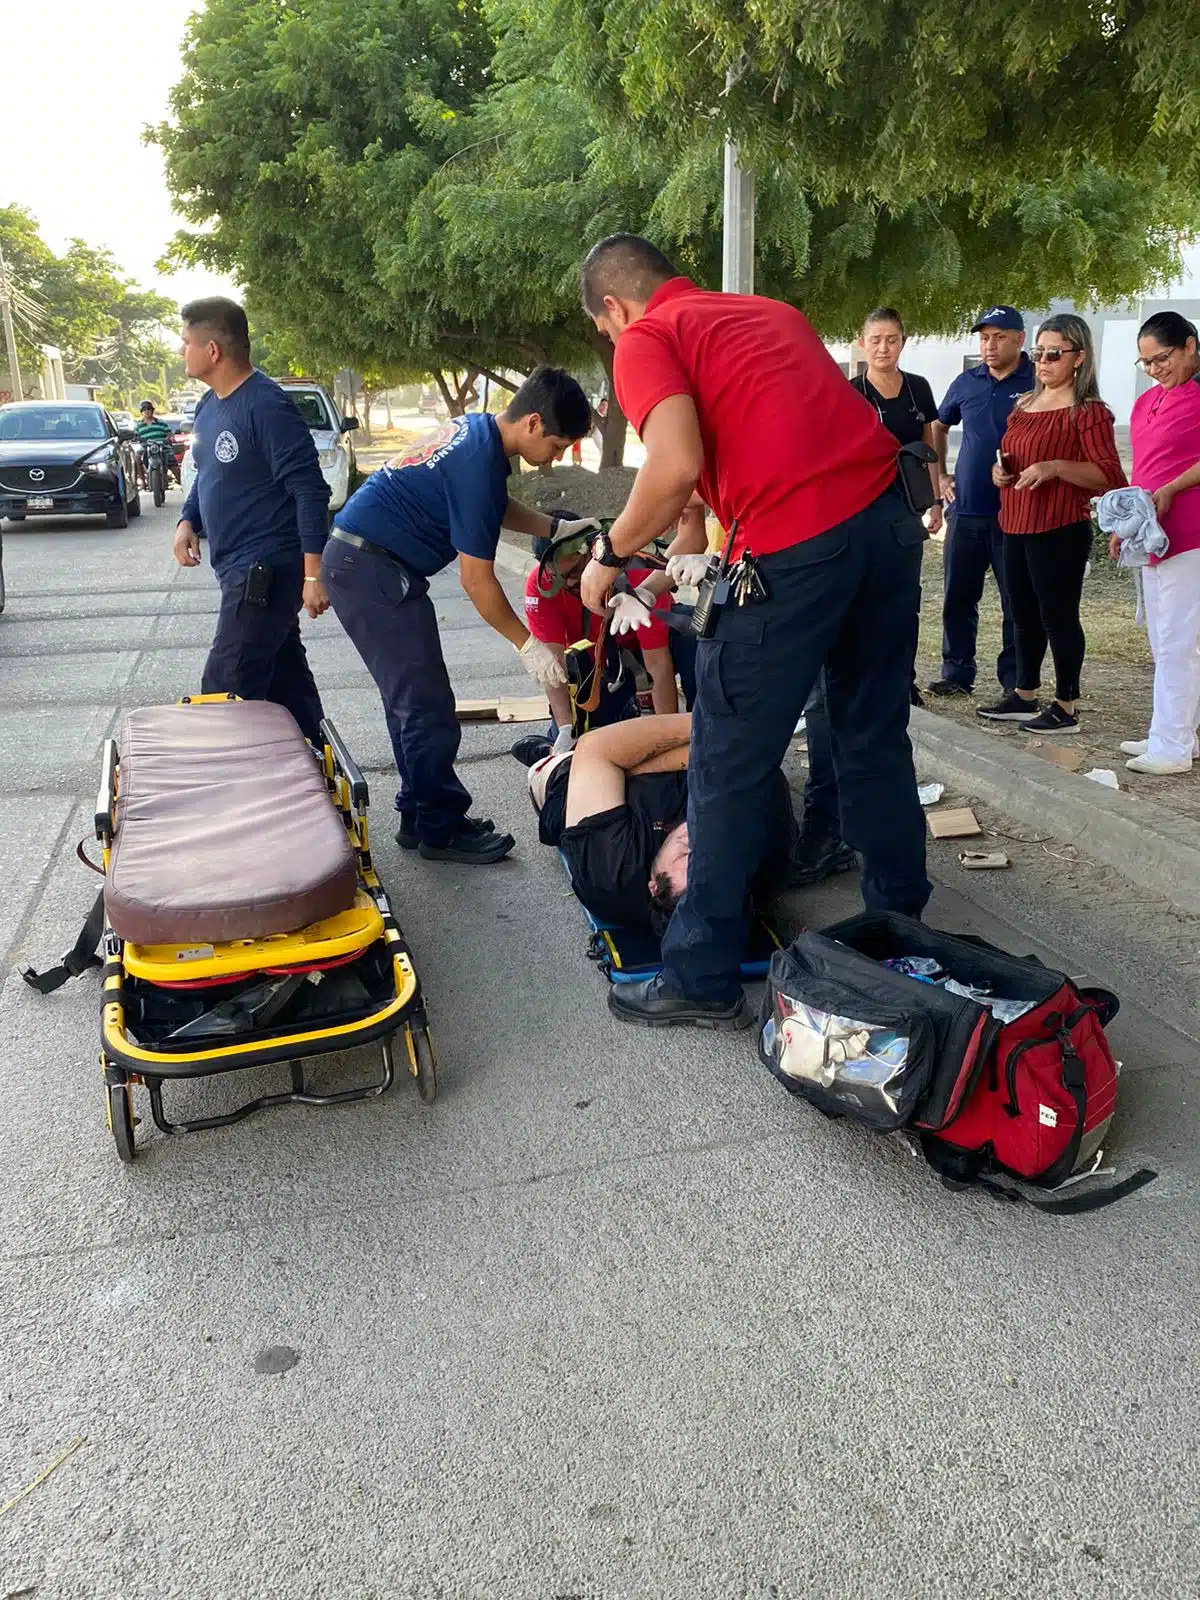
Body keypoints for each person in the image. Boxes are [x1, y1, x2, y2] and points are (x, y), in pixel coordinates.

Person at [576, 234, 931, 1030]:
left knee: (730, 754)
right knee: (871, 731)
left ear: (613, 307)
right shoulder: (766, 313)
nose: (612, 342)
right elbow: (750, 438)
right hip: (888, 527)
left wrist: (610, 552)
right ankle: (900, 922)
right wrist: (696, 533)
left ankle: (699, 975)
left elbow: (670, 466)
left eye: (605, 330)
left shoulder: (646, 337)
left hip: (800, 549)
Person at [321, 368, 593, 863]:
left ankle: (419, 814)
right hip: (371, 569)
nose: (554, 459)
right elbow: (476, 581)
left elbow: (491, 505)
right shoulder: (475, 460)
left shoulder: (478, 435)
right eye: (557, 446)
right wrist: (527, 643)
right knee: (426, 706)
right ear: (533, 423)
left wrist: (553, 526)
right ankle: (441, 828)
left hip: (364, 563)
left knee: (410, 702)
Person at [174, 297, 330, 745]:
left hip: (264, 574)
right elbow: (206, 471)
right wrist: (188, 519)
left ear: (213, 351)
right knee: (288, 691)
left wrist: (312, 573)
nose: (182, 351)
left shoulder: (266, 406)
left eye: (187, 343)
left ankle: (232, 803)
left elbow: (310, 490)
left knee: (225, 692)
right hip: (238, 570)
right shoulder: (210, 405)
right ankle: (320, 788)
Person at [522, 714, 796, 934]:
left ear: (653, 885)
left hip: (574, 783)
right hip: (665, 771)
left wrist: (717, 725)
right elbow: (757, 760)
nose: (700, 843)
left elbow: (596, 750)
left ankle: (547, 753)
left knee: (558, 769)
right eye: (716, 857)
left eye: (687, 854)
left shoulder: (611, 875)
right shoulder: (767, 856)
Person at [984, 315, 1125, 735]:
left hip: (1059, 526)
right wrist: (1001, 473)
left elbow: (1111, 475)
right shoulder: (1023, 404)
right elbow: (1011, 453)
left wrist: (1056, 467)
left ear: (1079, 358)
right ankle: (1024, 693)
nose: (1043, 362)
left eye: (1054, 353)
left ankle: (1066, 705)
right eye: (1038, 353)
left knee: (1058, 616)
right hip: (1015, 521)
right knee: (1021, 612)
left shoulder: (1089, 413)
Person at [929, 305, 1034, 698]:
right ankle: (956, 673)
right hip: (967, 509)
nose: (990, 346)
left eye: (999, 337)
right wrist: (940, 476)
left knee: (1016, 601)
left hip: (1016, 512)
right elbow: (938, 426)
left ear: (1019, 339)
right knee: (958, 596)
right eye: (984, 338)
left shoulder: (1036, 381)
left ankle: (1015, 681)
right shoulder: (966, 382)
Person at [1114, 312, 1200, 775]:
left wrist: (1172, 488)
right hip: (1151, 534)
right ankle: (1179, 732)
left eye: (1161, 358)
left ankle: (1171, 745)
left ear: (1190, 345)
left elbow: (1172, 474)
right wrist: (1123, 523)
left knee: (1176, 642)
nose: (1154, 368)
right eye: (1145, 362)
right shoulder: (1148, 400)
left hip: (1190, 532)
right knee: (1162, 636)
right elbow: (1145, 469)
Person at [523, 541, 679, 732]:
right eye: (558, 577)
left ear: (593, 552)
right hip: (596, 668)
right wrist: (565, 728)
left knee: (690, 641)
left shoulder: (639, 572)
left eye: (574, 572)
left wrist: (668, 733)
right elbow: (555, 669)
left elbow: (657, 662)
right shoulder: (541, 584)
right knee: (579, 739)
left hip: (640, 654)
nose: (569, 583)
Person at [135, 400, 180, 486]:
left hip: (162, 446)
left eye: (149, 409)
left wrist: (170, 438)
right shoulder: (138, 426)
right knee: (136, 458)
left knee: (172, 463)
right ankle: (143, 481)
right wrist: (135, 438)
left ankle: (183, 483)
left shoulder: (161, 423)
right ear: (142, 412)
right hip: (146, 447)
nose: (147, 411)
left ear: (152, 410)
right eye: (144, 409)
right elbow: (135, 436)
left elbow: (169, 434)